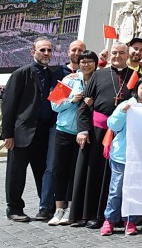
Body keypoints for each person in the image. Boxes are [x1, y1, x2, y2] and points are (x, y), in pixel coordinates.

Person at [71, 43, 138, 228]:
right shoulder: (99, 75)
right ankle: (90, 214)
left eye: (121, 53)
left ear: (127, 55)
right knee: (95, 171)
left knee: (115, 176)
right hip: (97, 130)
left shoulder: (134, 75)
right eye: (114, 53)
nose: (117, 56)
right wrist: (83, 130)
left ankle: (113, 217)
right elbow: (84, 104)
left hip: (123, 131)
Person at [1, 37, 57, 222]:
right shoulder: (21, 73)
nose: (46, 53)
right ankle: (14, 208)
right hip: (22, 133)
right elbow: (8, 105)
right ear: (33, 52)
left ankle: (45, 206)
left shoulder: (53, 74)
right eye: (42, 50)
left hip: (44, 132)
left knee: (43, 171)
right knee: (16, 172)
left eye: (49, 50)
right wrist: (7, 133)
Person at [48, 50, 97, 226]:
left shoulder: (96, 80)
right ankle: (59, 209)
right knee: (60, 171)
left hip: (84, 134)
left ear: (95, 64)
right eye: (83, 61)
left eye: (90, 61)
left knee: (75, 173)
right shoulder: (68, 80)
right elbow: (54, 105)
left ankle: (71, 209)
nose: (86, 65)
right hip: (63, 131)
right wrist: (72, 100)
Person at [100, 79, 142, 236]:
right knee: (116, 190)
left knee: (135, 190)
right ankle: (109, 220)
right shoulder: (126, 105)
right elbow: (113, 125)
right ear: (137, 89)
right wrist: (123, 112)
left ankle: (130, 221)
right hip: (122, 156)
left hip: (141, 157)